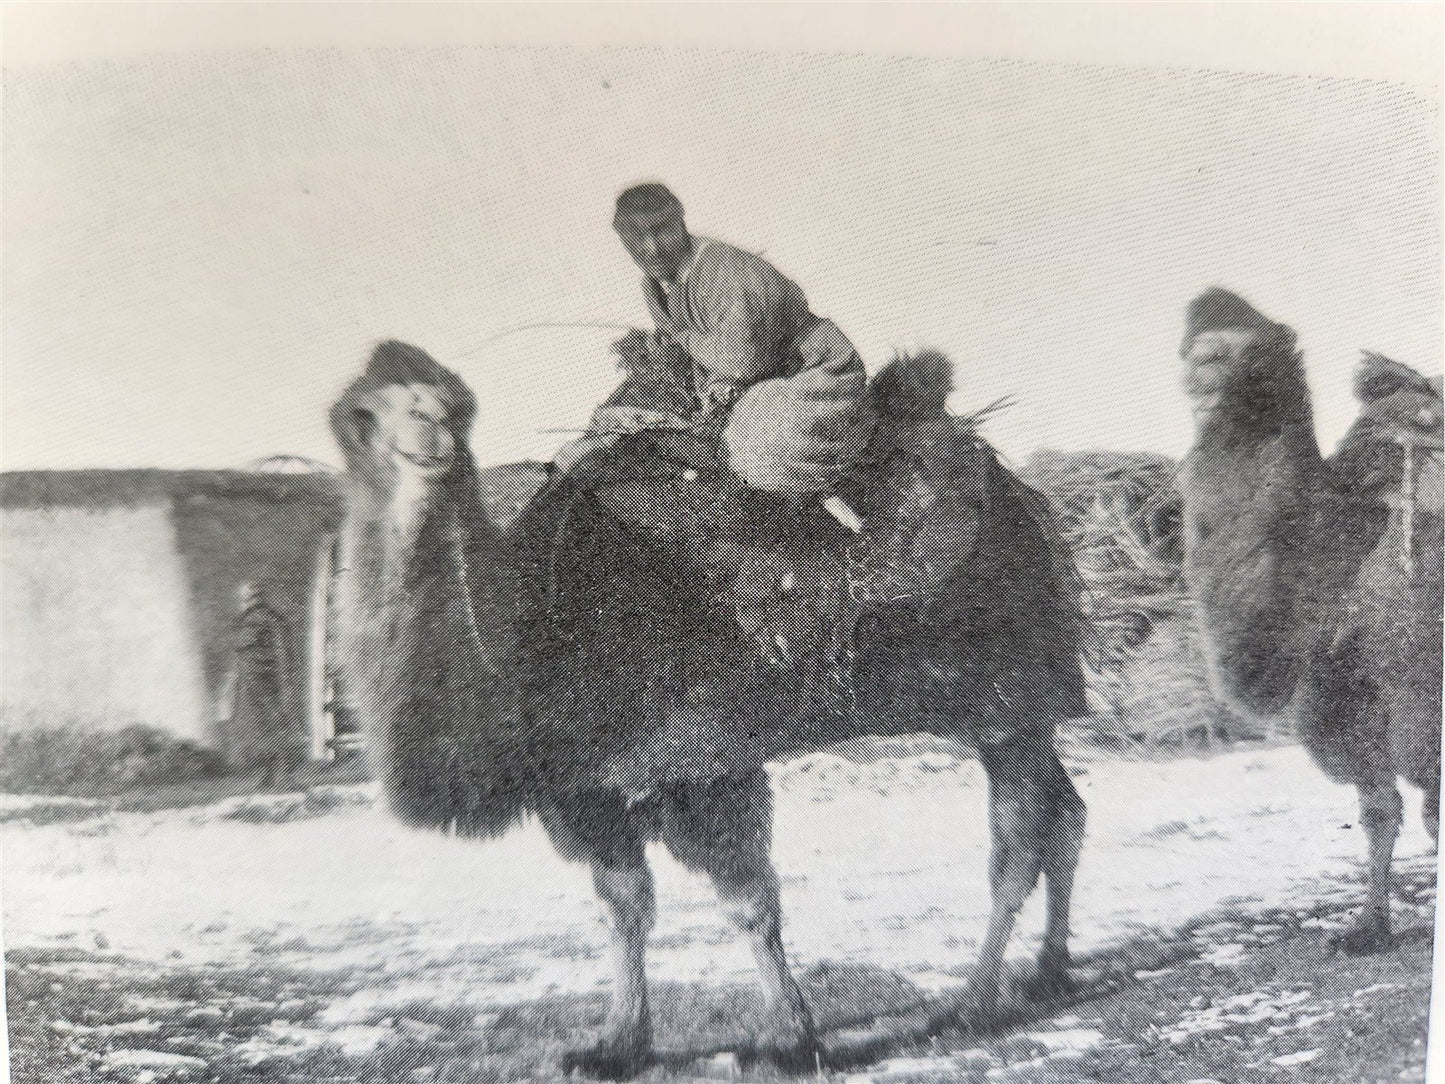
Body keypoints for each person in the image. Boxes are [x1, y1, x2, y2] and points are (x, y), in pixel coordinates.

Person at [229, 581, 295, 790]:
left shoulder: (273, 621)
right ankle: (266, 774)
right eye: (248, 596)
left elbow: (283, 654)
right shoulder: (244, 621)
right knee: (257, 732)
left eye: (253, 596)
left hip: (269, 685)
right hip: (249, 687)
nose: (251, 600)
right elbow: (240, 658)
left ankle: (282, 774)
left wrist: (285, 684)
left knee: (275, 729)